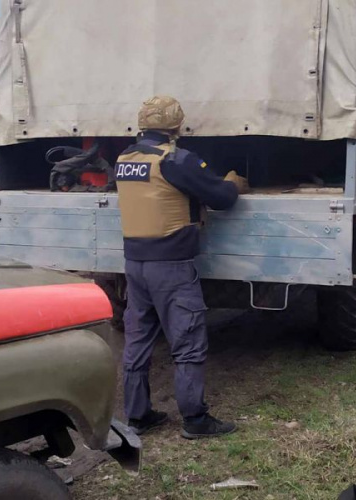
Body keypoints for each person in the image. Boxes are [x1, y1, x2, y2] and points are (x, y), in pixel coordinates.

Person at [115, 96, 249, 439]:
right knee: (188, 339)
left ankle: (139, 415)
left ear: (142, 123)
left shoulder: (125, 159)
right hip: (171, 266)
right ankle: (195, 420)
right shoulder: (175, 160)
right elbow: (221, 198)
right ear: (177, 126)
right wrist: (234, 183)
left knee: (139, 339)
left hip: (135, 264)